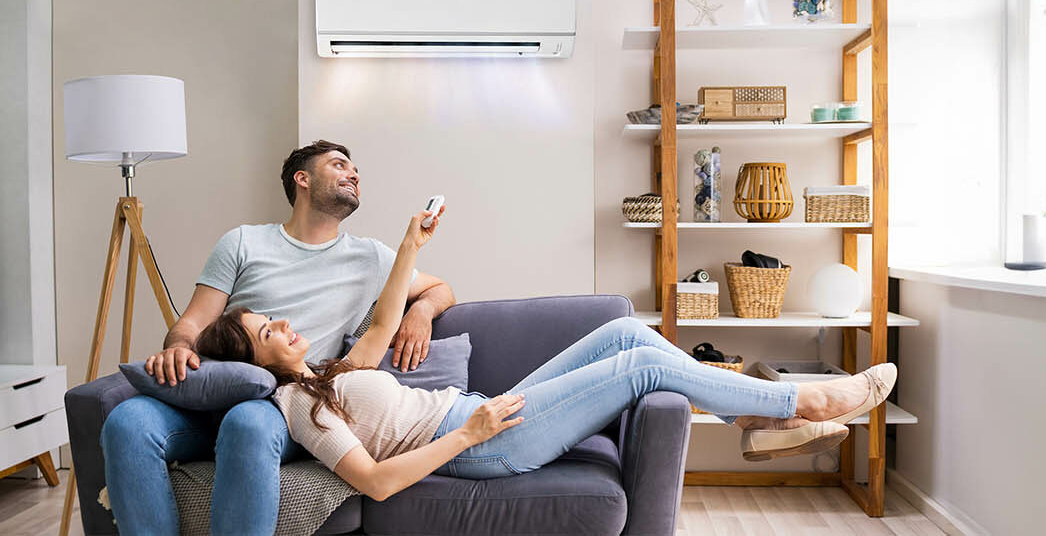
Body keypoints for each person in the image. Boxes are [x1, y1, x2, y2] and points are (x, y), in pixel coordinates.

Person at [194, 206, 897, 500]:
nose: (286, 322)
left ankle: (754, 422)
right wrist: (468, 433)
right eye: (267, 330)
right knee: (643, 364)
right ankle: (798, 401)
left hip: (478, 412)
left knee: (626, 333)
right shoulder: (295, 405)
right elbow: (375, 482)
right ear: (256, 362)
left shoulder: (328, 371)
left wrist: (410, 250)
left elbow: (385, 316)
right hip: (479, 442)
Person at [100, 140, 456, 535]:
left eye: (355, 169)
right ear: (302, 179)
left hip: (285, 405)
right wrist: (179, 348)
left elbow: (440, 289)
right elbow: (191, 323)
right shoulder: (242, 242)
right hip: (213, 394)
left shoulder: (371, 256)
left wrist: (421, 312)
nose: (353, 174)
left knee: (247, 421)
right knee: (127, 420)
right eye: (339, 165)